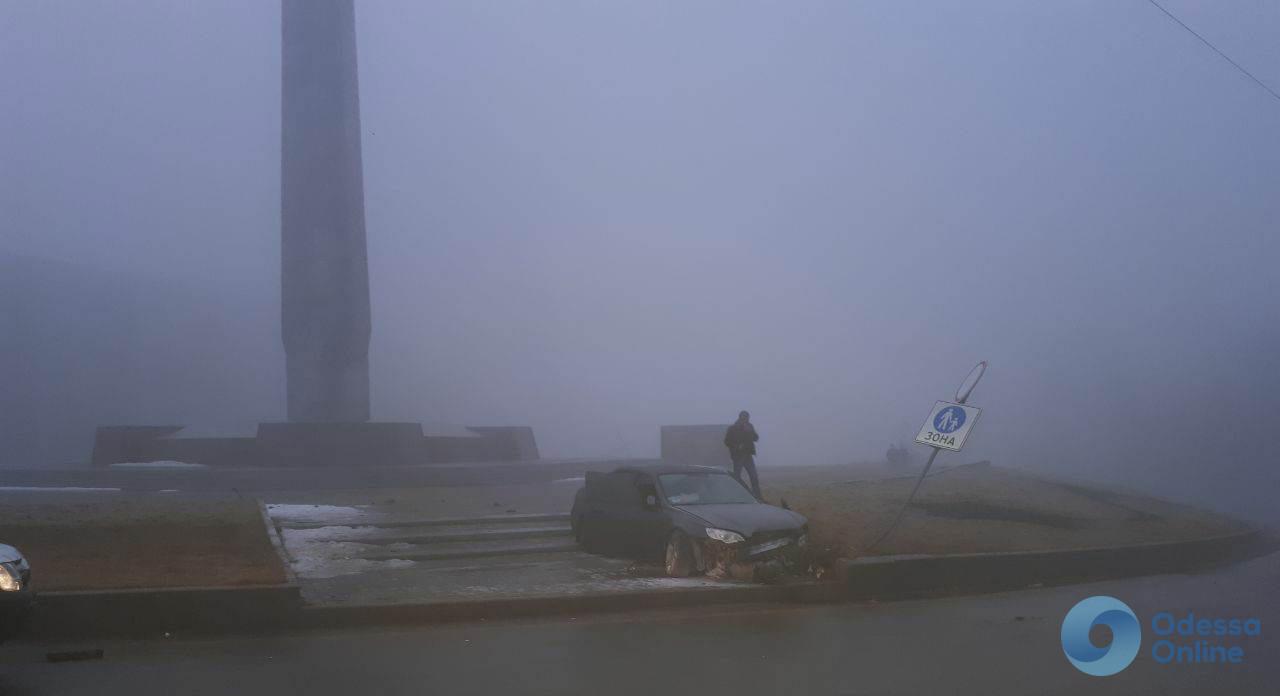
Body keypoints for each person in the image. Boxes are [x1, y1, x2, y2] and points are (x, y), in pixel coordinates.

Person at [724, 410, 761, 499]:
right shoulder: (732, 428)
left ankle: (757, 497)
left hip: (748, 455)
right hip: (738, 456)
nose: (746, 419)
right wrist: (736, 447)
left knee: (754, 476)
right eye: (744, 417)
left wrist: (750, 431)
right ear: (740, 417)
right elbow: (727, 441)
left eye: (747, 417)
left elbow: (756, 438)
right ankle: (737, 495)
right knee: (737, 477)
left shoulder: (750, 426)